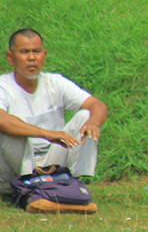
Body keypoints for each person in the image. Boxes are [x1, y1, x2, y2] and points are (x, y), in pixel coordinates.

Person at [0, 29, 109, 195]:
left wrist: (93, 122)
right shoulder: (3, 86)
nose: (31, 58)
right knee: (8, 130)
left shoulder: (55, 83)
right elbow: (2, 120)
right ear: (10, 57)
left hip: (52, 159)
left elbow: (97, 104)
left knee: (86, 115)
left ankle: (75, 183)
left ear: (44, 55)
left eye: (36, 52)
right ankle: (24, 187)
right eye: (24, 52)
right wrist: (46, 133)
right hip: (17, 164)